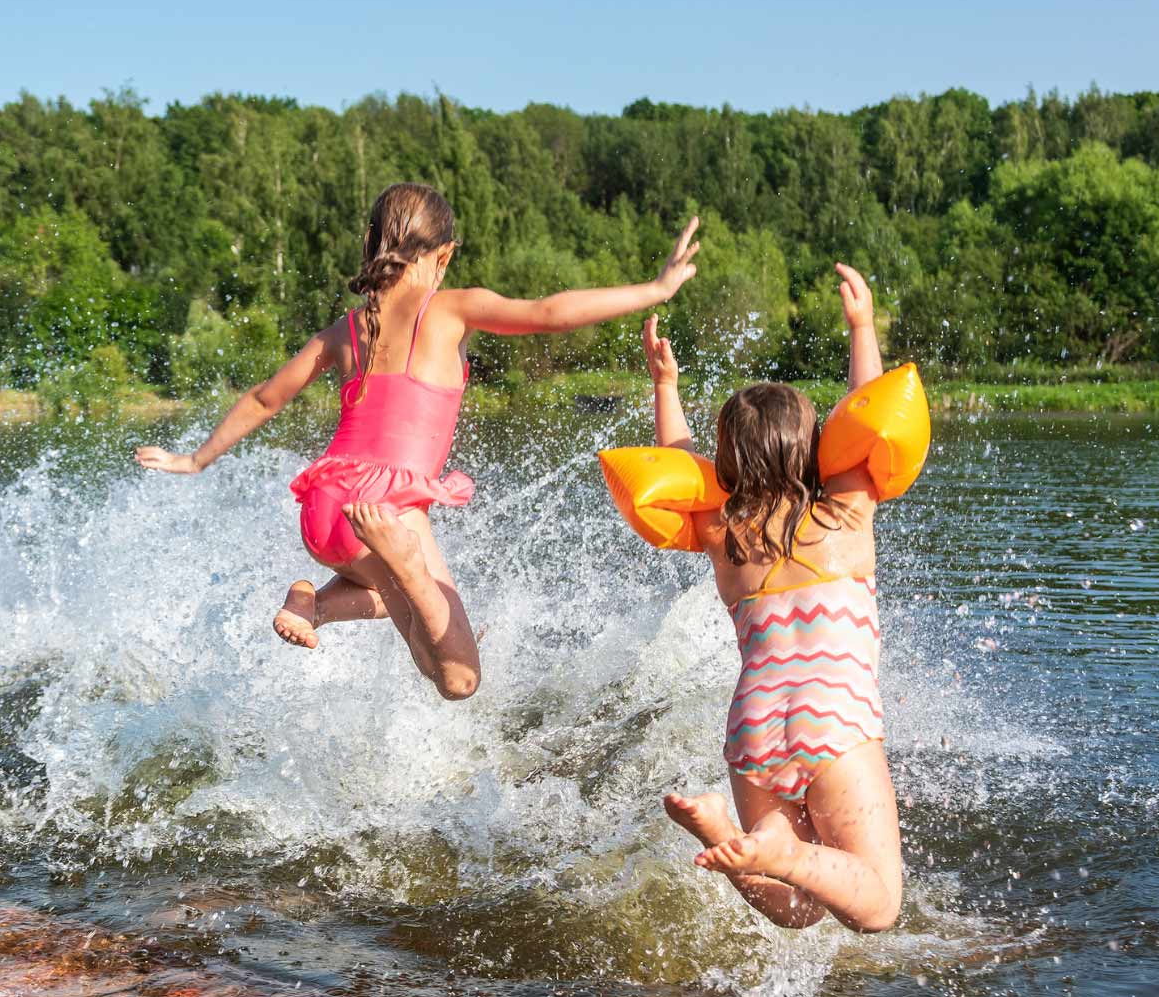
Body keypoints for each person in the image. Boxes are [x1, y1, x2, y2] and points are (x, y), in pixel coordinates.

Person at [136, 182, 701, 701]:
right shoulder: (449, 308)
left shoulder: (345, 328)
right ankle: (397, 573)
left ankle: (316, 601)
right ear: (444, 255)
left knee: (388, 598)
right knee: (458, 677)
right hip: (387, 509)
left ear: (372, 243)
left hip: (324, 507)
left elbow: (265, 398)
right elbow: (550, 312)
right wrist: (657, 287)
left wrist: (194, 459)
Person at [648, 263, 905, 932]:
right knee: (877, 905)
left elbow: (681, 467)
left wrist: (665, 385)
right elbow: (870, 409)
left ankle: (721, 833)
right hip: (832, 718)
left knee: (795, 916)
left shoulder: (721, 535)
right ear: (813, 450)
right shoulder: (845, 514)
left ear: (729, 462)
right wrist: (861, 326)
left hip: (755, 723)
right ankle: (782, 856)